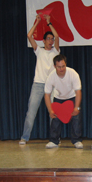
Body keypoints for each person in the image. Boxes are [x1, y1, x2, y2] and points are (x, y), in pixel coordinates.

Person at [19, 14, 60, 145]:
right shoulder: (39, 51)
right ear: (43, 41)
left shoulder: (56, 52)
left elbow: (58, 36)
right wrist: (37, 22)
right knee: (31, 112)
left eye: (52, 39)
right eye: (48, 39)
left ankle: (54, 139)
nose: (51, 41)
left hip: (52, 86)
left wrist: (49, 22)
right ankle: (25, 137)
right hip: (38, 85)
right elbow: (29, 36)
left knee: (53, 113)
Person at [44, 54, 83, 149]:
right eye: (59, 67)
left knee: (76, 118)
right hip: (58, 98)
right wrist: (50, 110)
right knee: (55, 119)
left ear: (66, 64)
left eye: (63, 66)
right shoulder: (51, 76)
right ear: (54, 66)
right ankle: (54, 141)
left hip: (72, 97)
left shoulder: (73, 73)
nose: (61, 69)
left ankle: (77, 140)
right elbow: (47, 95)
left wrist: (76, 107)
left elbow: (78, 92)